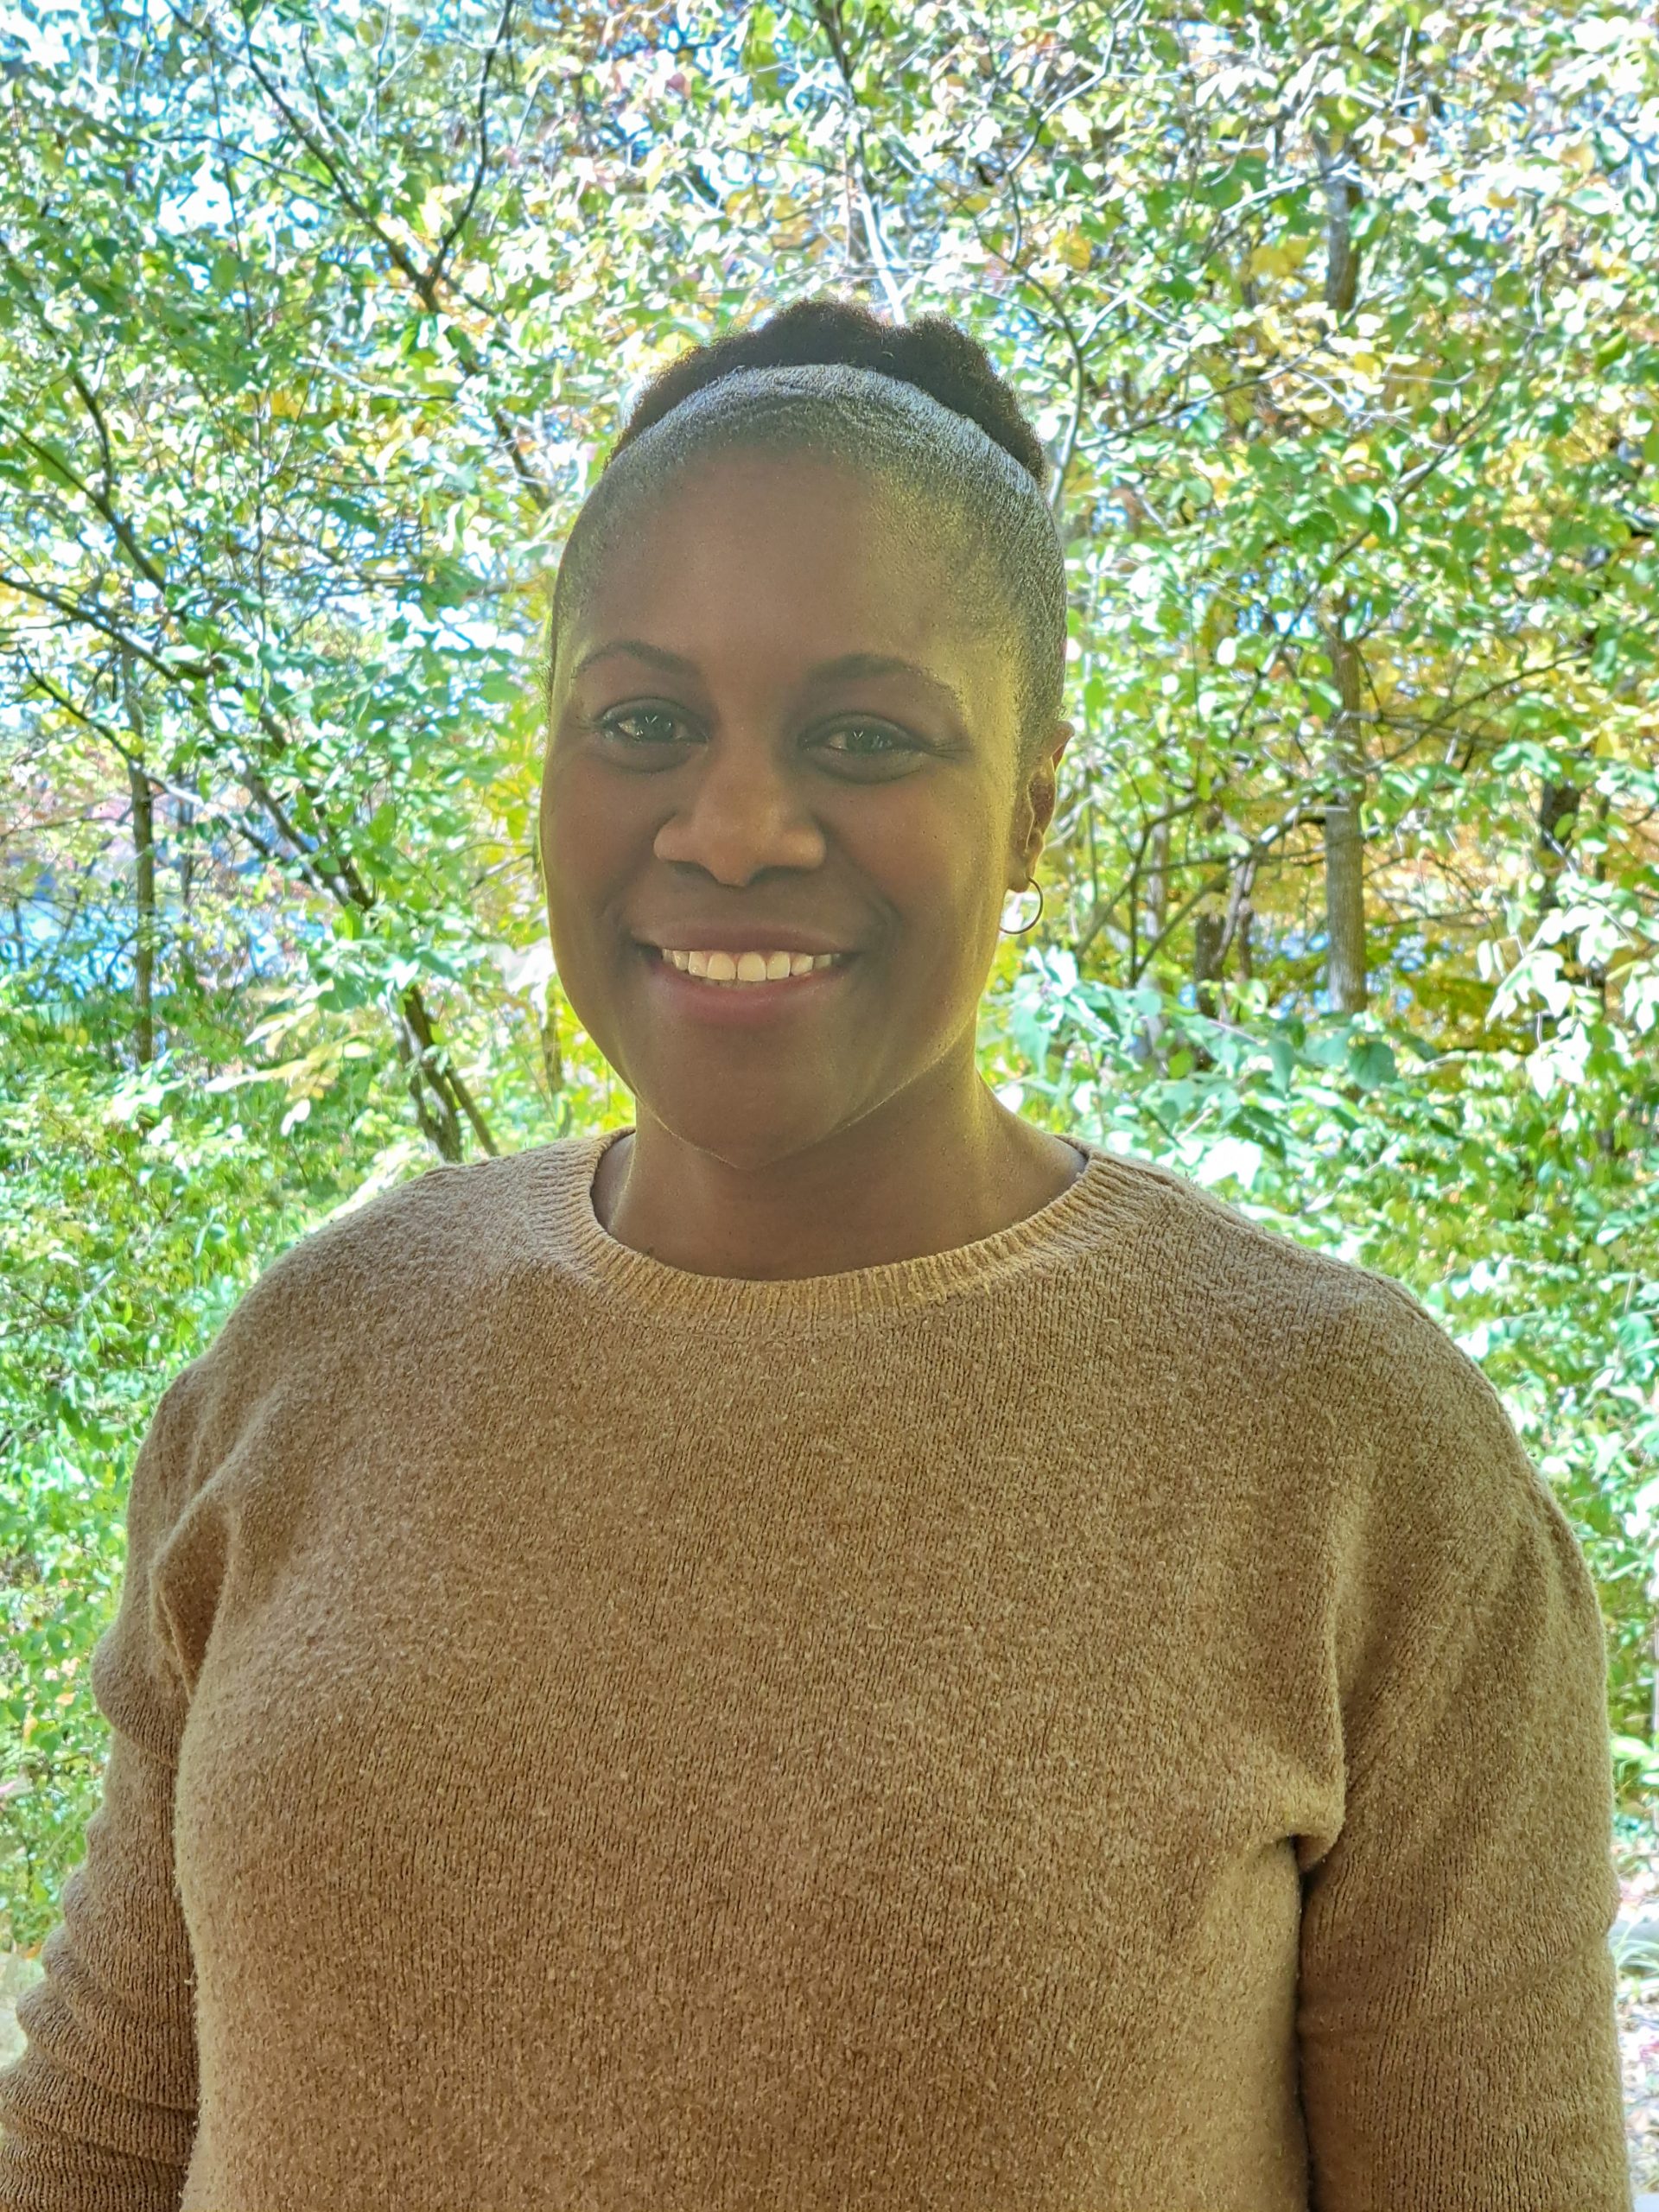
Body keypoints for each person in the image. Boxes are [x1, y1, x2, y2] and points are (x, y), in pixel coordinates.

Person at [0, 296, 1632, 2211]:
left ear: (1033, 804)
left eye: (863, 733)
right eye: (645, 720)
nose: (740, 821)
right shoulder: (317, 1354)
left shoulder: (1352, 1451)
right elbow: (104, 2124)